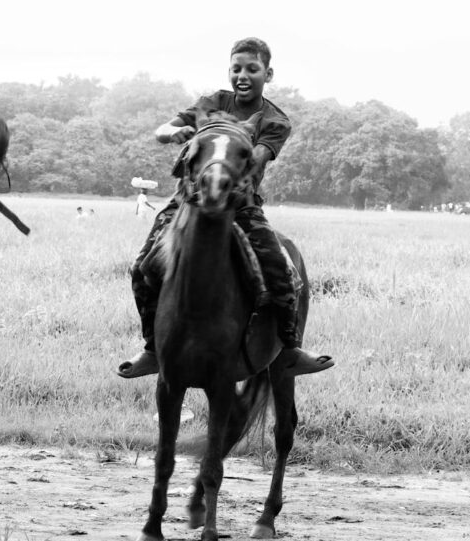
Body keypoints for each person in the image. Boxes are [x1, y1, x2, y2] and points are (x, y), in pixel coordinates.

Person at [118, 37, 333, 379]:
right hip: (188, 202)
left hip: (241, 205)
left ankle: (289, 350)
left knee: (283, 274)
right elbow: (162, 130)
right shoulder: (212, 103)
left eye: (252, 68)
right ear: (229, 72)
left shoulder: (275, 121)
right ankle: (152, 349)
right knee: (142, 269)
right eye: (236, 69)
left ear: (268, 73)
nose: (242, 75)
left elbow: (258, 156)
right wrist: (173, 133)